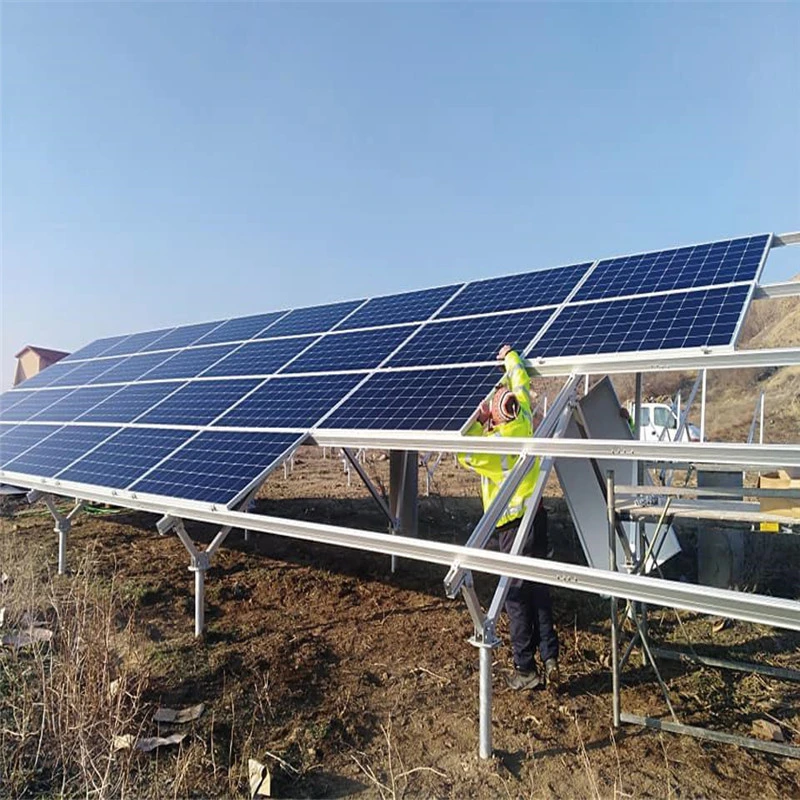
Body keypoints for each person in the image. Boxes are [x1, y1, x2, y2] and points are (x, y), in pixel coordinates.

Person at [458, 344, 560, 691]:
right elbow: (520, 381)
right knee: (539, 588)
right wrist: (511, 358)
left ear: (498, 418)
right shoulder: (527, 418)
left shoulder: (494, 445)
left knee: (514, 596)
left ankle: (525, 668)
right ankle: (551, 655)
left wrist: (478, 420)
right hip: (537, 517)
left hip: (511, 526)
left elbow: (462, 452)